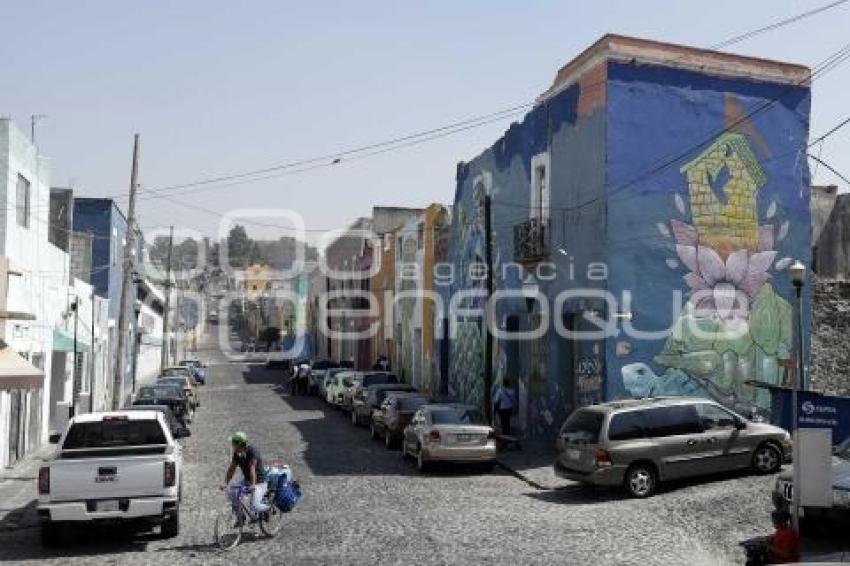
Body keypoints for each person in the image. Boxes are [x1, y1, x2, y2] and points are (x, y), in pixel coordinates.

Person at [222, 432, 269, 523]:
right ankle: (241, 517)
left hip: (259, 482)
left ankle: (268, 509)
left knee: (254, 506)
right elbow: (231, 469)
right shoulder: (237, 454)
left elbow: (252, 469)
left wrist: (252, 485)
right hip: (247, 480)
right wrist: (225, 483)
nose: (232, 446)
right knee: (232, 494)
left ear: (239, 444)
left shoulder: (252, 451)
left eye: (233, 444)